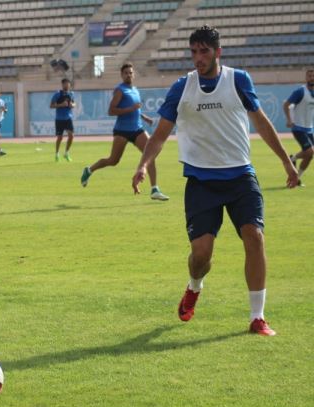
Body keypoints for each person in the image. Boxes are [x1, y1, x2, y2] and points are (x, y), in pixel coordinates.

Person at [131, 26, 299, 336]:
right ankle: (194, 286)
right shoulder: (182, 87)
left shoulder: (238, 80)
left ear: (218, 52)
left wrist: (287, 162)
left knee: (255, 237)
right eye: (193, 52)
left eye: (204, 51)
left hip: (240, 177)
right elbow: (161, 132)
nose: (198, 58)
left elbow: (261, 123)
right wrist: (144, 165)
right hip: (201, 181)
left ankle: (257, 317)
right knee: (201, 256)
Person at [80, 63, 169, 201]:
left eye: (131, 73)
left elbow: (136, 109)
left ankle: (154, 189)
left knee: (149, 155)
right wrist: (131, 109)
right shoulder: (119, 90)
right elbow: (111, 111)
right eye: (126, 73)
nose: (129, 75)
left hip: (137, 129)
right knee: (113, 160)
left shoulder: (135, 90)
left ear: (134, 74)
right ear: (122, 75)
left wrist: (144, 117)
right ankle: (89, 170)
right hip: (122, 131)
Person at [282, 69, 314, 186]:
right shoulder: (300, 91)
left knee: (310, 156)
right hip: (298, 127)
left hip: (309, 128)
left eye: (313, 76)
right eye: (309, 76)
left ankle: (297, 178)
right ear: (306, 78)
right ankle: (292, 159)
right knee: (310, 151)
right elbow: (286, 104)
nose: (311, 78)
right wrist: (289, 120)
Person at [50, 78, 75, 162]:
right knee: (60, 138)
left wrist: (72, 105)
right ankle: (57, 153)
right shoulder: (57, 94)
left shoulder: (71, 94)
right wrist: (61, 105)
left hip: (68, 118)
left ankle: (66, 153)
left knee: (71, 136)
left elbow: (74, 103)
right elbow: (51, 106)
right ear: (62, 84)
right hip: (59, 119)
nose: (67, 85)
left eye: (68, 83)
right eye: (65, 84)